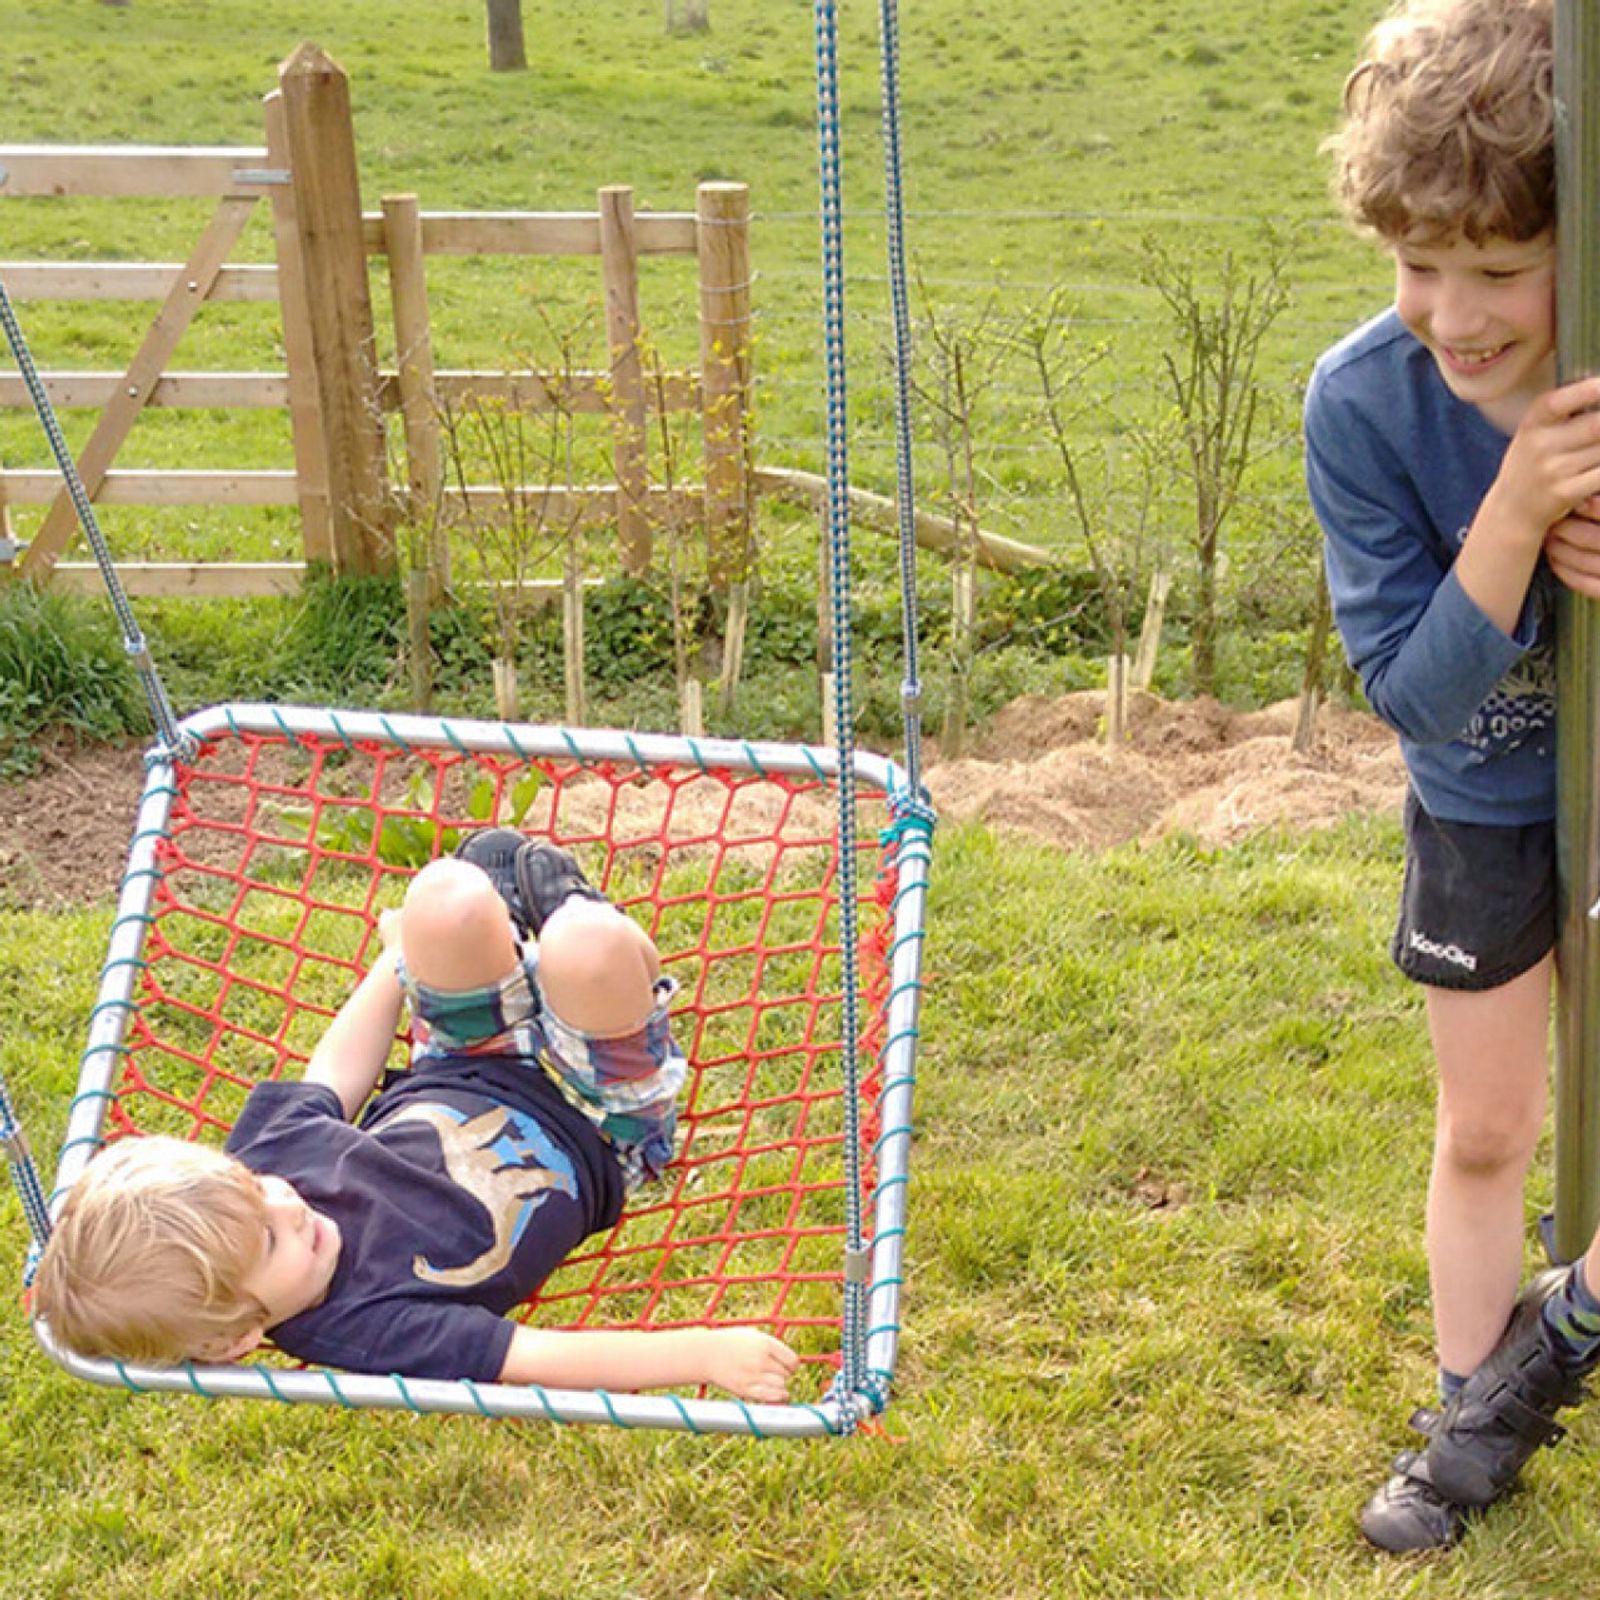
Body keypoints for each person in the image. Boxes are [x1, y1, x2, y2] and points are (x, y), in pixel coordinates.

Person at [1305, 0, 1600, 1552]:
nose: (1453, 310)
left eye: (1498, 270)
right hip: (1481, 806)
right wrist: (1514, 518)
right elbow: (1407, 695)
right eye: (1418, 264)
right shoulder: (1361, 404)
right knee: (1487, 1133)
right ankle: (1472, 1404)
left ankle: (1568, 1330)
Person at [31, 831, 799, 1404]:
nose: (283, 1202)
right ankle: (561, 919)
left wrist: (394, 962)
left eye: (251, 1187)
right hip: (599, 1124)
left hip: (465, 1057)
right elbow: (539, 1356)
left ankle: (509, 947)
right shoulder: (367, 1325)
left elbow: (335, 1075)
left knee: (444, 896)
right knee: (588, 947)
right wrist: (702, 1353)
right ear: (239, 1336)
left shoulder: (267, 1167)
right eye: (266, 1237)